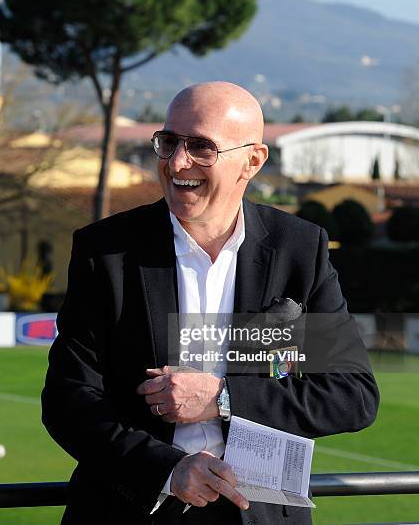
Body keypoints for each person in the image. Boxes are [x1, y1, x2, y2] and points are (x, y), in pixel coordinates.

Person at [42, 82, 379, 524]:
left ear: (253, 160)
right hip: (134, 507)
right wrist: (167, 469)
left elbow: (350, 394)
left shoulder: (298, 249)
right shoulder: (106, 251)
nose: (178, 163)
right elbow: (68, 399)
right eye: (169, 143)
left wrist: (223, 397)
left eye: (202, 147)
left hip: (255, 514)